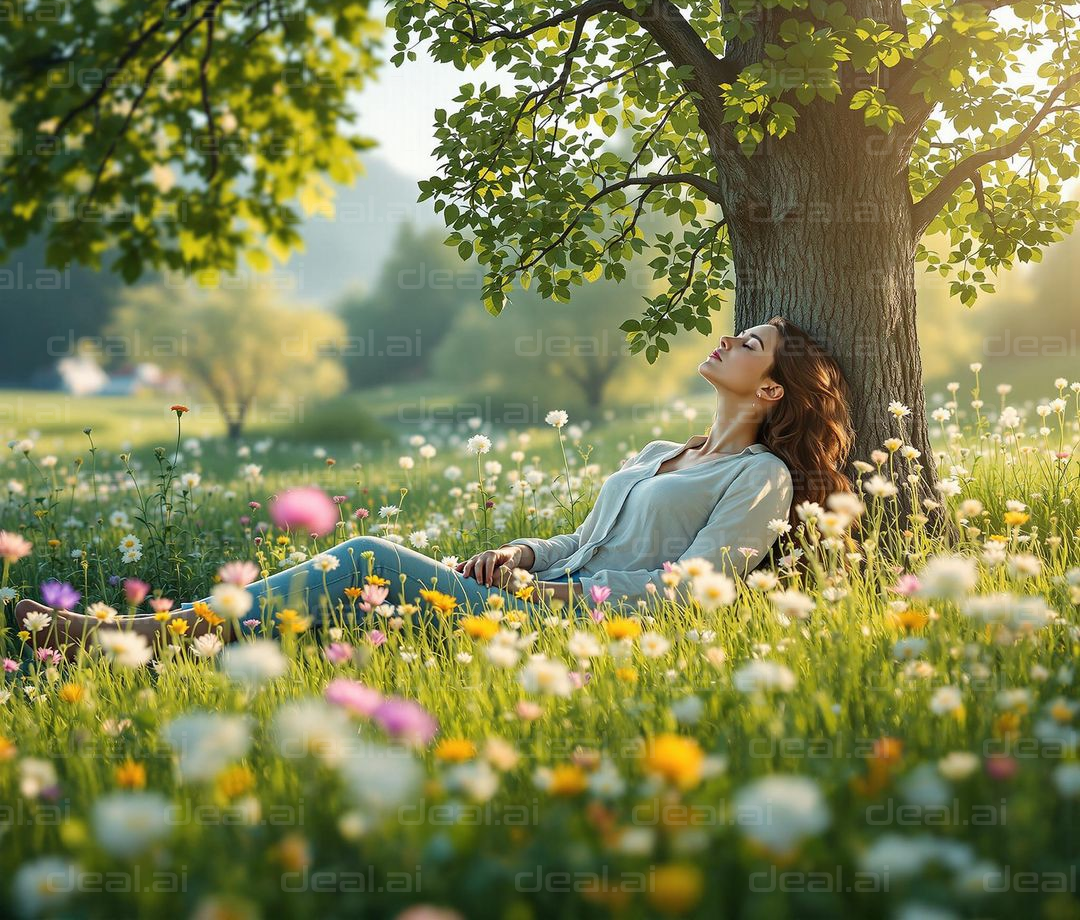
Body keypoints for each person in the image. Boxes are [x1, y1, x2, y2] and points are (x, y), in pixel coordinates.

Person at [15, 316, 856, 656]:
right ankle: (174, 642)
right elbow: (584, 537)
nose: (726, 339)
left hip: (575, 629)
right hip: (535, 590)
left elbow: (698, 592)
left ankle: (148, 639)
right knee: (369, 584)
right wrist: (527, 550)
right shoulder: (660, 450)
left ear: (772, 389)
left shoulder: (761, 477)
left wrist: (564, 598)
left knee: (363, 560)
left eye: (748, 342)